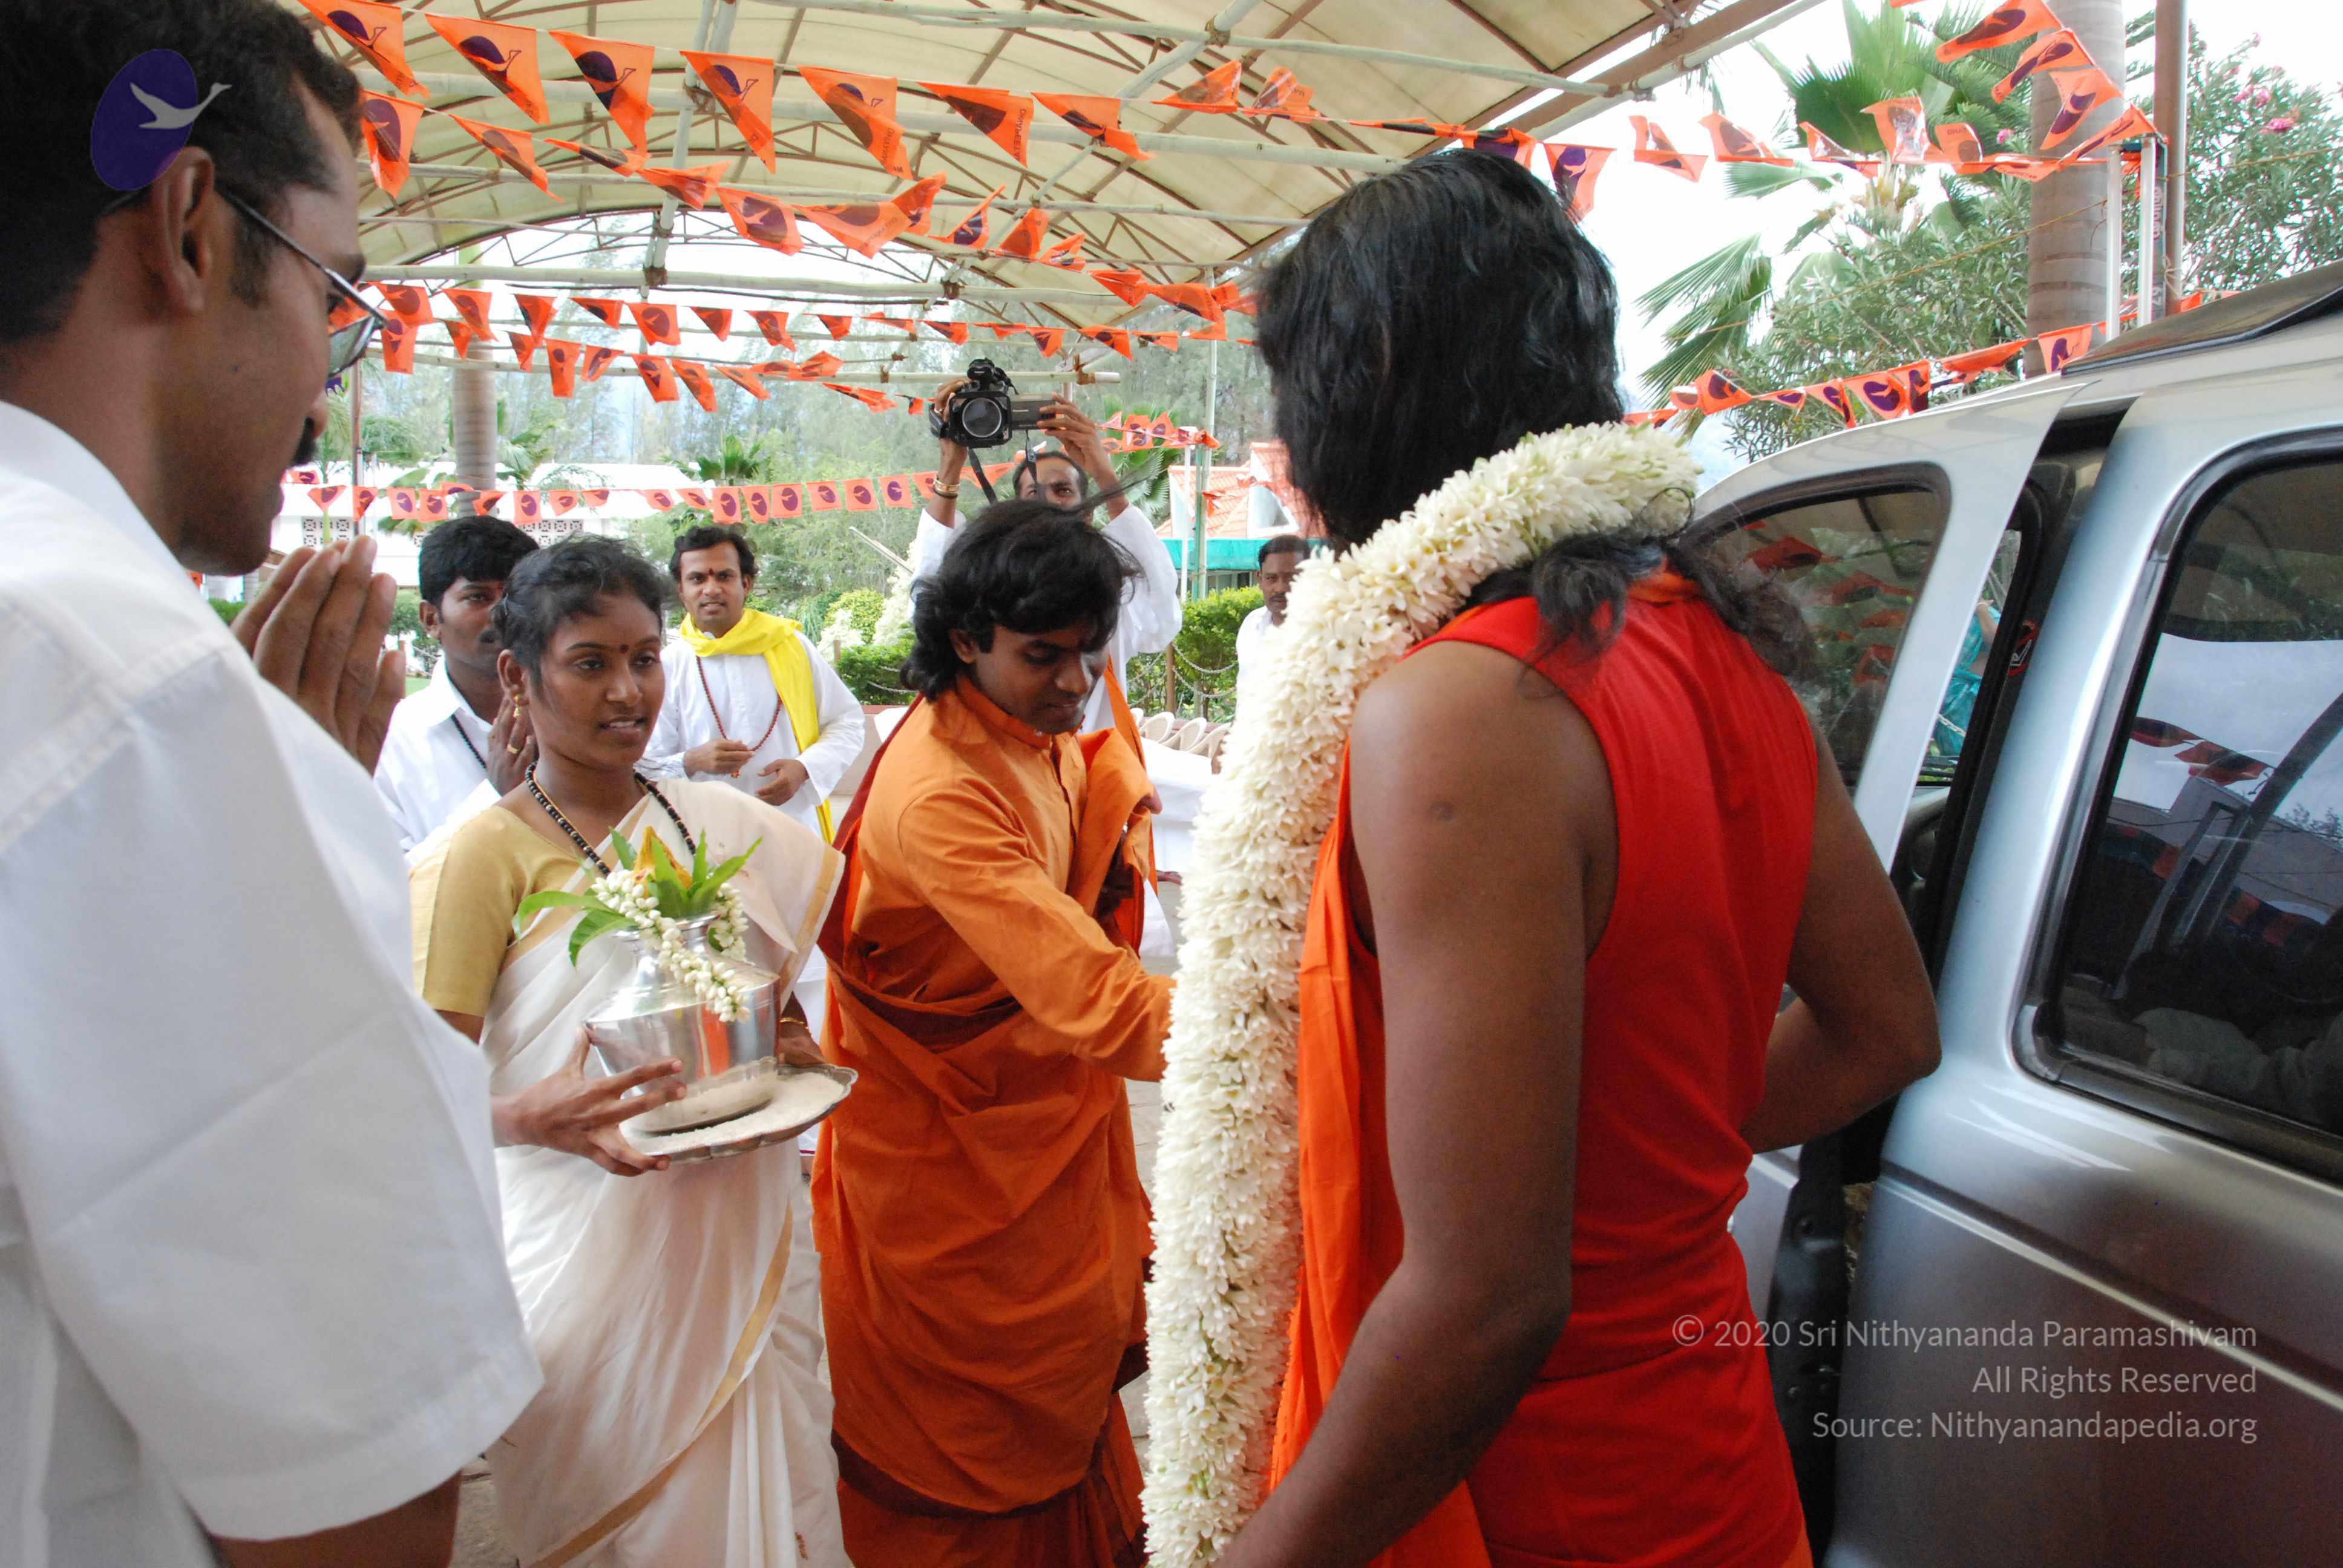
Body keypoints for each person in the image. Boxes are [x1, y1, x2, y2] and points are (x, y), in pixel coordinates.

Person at [1191, 152, 1942, 1568]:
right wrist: (1627, 1172)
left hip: (1528, 1499)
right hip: (1715, 1477)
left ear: (1364, 388)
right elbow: (1886, 1030)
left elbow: (1486, 1303)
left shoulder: (1463, 708)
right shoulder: (1723, 652)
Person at [0, 4, 543, 1563]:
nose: (325, 379)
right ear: (188, 229)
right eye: (335, 290)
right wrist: (294, 830)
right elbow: (356, 1496)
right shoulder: (132, 691)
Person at [410, 538, 849, 1567]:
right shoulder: (481, 855)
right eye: (591, 662)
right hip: (581, 1265)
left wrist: (785, 1042)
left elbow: (772, 1003)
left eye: (646, 659)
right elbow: (412, 1092)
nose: (628, 691)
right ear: (517, 674)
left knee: (778, 1504)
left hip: (743, 1235)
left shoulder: (719, 823)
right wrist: (525, 1117)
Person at [814, 500, 1172, 1567]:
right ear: (966, 640)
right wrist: (1292, 1032)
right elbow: (1099, 1000)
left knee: (1064, 1400)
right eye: (1042, 656)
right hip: (947, 1173)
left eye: (1088, 652)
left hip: (1039, 1136)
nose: (1074, 682)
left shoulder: (1034, 734)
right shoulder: (941, 791)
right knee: (961, 1455)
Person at [913, 387, 1179, 732]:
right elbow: (928, 599)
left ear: (1088, 512)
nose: (1076, 683)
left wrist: (1103, 471)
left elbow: (1160, 617)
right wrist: (951, 463)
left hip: (1091, 761)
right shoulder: (987, 590)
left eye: (1063, 490)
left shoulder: (1109, 590)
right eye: (1033, 493)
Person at [647, 523, 867, 843]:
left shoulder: (791, 646)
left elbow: (847, 722)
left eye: (724, 576)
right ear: (681, 590)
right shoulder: (668, 665)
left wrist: (805, 768)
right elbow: (643, 764)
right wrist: (691, 761)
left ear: (746, 584)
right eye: (697, 579)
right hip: (703, 842)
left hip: (791, 832)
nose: (711, 589)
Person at [375, 515, 540, 849]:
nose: (503, 613)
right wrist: (495, 798)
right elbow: (393, 874)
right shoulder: (392, 740)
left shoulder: (575, 711)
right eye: (478, 597)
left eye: (515, 596)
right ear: (431, 619)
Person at [1235, 534, 1308, 714]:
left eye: (1291, 578)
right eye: (1272, 578)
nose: (1281, 588)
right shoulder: (1251, 625)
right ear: (1260, 578)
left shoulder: (1324, 633)